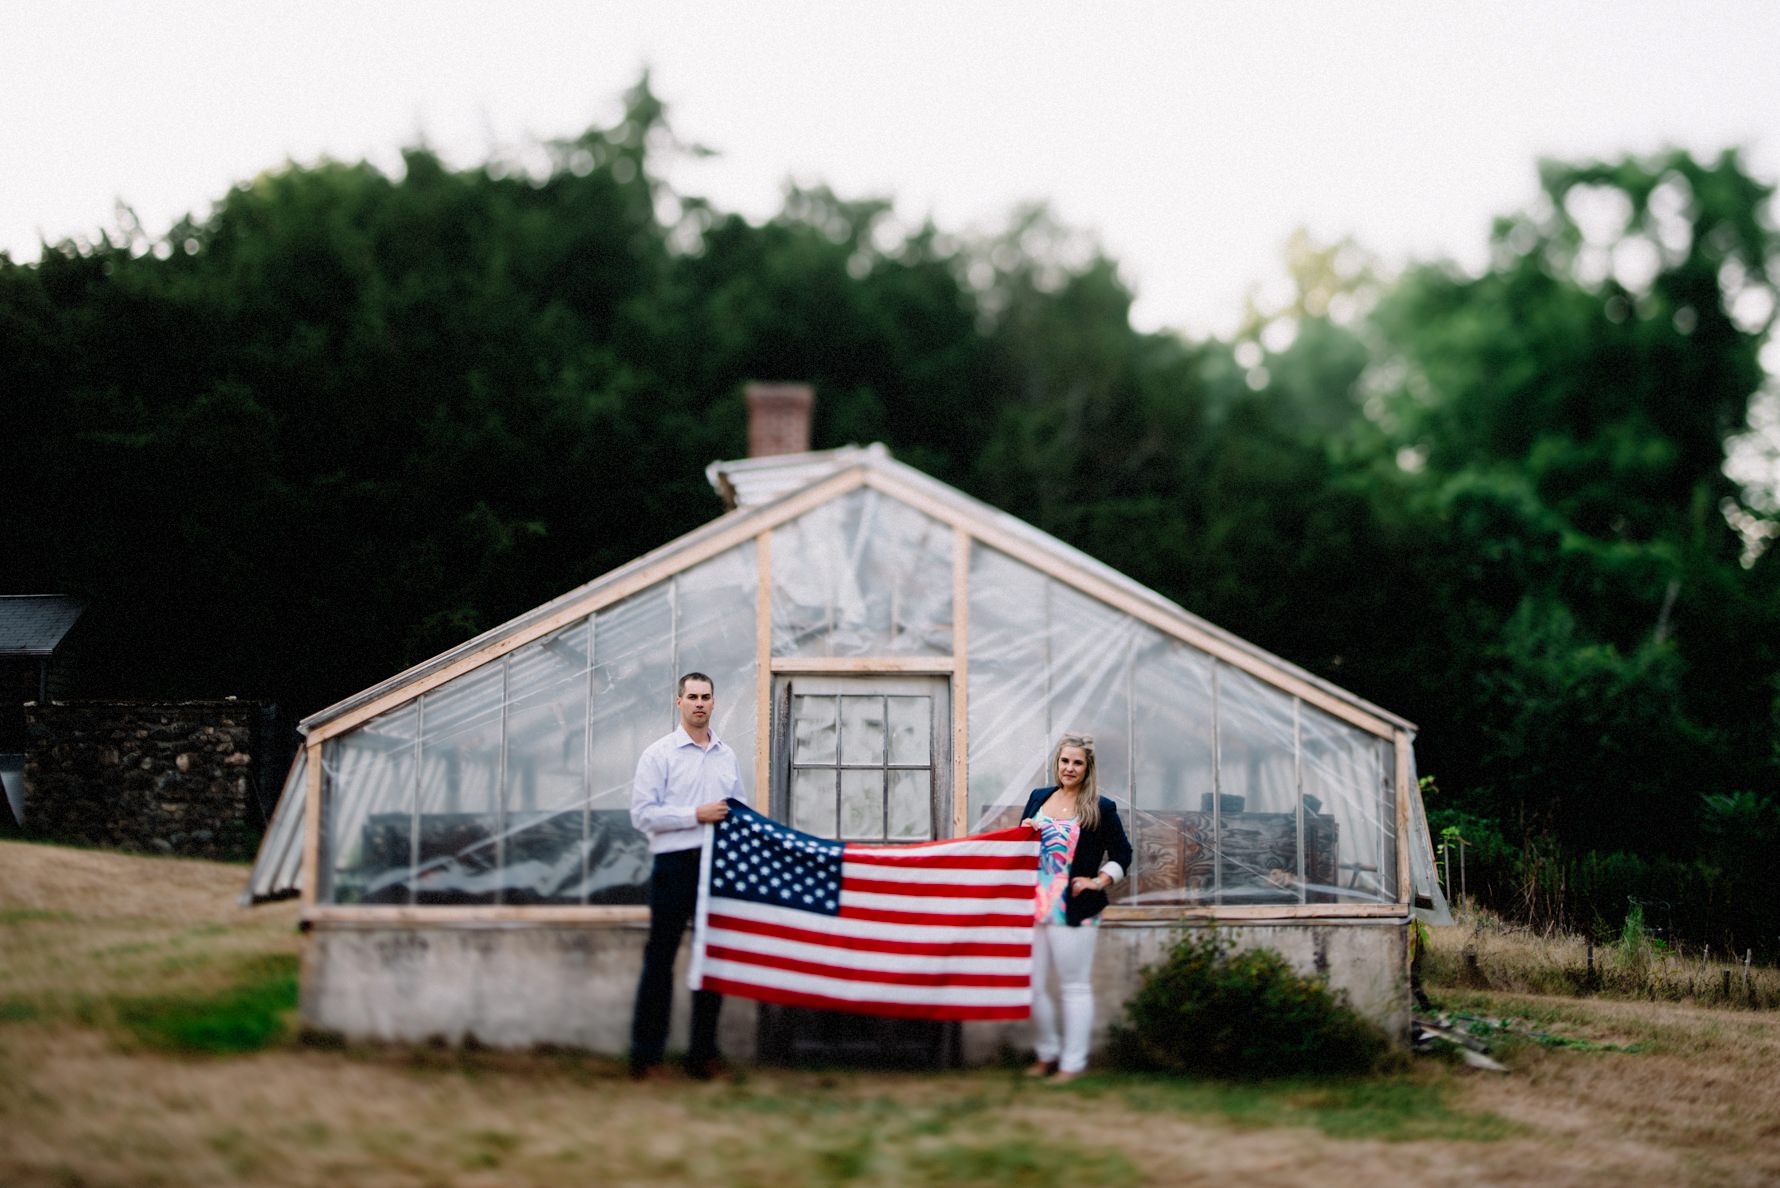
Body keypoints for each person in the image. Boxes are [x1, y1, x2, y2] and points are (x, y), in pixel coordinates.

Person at [628, 672, 738, 1081]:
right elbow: (642, 816)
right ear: (679, 702)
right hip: (673, 865)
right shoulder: (659, 755)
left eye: (705, 697)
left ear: (714, 702)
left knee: (710, 959)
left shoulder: (727, 755)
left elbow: (738, 810)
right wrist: (694, 815)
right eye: (692, 697)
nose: (699, 703)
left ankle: (702, 1056)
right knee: (661, 959)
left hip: (715, 866)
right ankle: (646, 1057)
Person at [1018, 731, 1133, 1084]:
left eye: (1077, 763)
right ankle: (1047, 1053)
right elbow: (1022, 845)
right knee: (1031, 987)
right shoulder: (1039, 797)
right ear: (1057, 763)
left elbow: (1123, 853)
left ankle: (1072, 1063)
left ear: (1087, 768)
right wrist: (1025, 830)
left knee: (1074, 986)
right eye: (1065, 761)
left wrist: (1099, 881)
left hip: (1075, 906)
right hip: (1035, 902)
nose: (1069, 768)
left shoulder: (1100, 807)